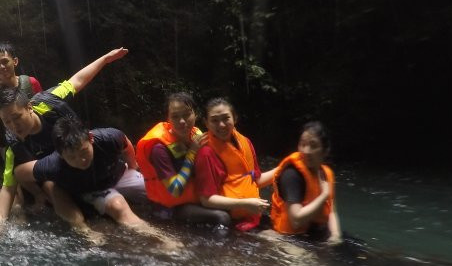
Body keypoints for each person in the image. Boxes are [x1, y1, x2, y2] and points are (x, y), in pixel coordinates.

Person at [0, 47, 129, 235]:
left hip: (81, 156)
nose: (14, 126)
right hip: (58, 174)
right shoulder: (13, 144)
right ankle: (84, 231)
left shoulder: (48, 102)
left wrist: (105, 58)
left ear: (29, 107)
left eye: (17, 117)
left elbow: (77, 81)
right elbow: (7, 187)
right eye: (7, 122)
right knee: (50, 185)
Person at [33, 117, 175, 246]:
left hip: (118, 174)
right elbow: (20, 172)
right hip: (93, 189)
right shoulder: (52, 165)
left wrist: (133, 167)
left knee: (159, 189)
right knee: (118, 207)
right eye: (72, 157)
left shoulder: (108, 137)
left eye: (84, 152)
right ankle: (164, 240)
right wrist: (39, 195)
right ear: (61, 154)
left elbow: (126, 143)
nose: (81, 160)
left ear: (90, 138)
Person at [135, 93, 231, 226]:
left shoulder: (196, 135)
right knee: (222, 217)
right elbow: (175, 190)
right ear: (168, 119)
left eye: (186, 115)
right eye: (175, 116)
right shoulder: (159, 149)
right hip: (172, 208)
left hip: (197, 198)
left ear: (195, 114)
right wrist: (192, 153)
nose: (182, 121)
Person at [194, 97, 274, 231]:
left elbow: (256, 180)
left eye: (226, 118)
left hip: (252, 212)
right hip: (231, 219)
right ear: (206, 123)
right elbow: (206, 200)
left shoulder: (245, 142)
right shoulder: (206, 154)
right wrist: (245, 204)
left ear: (235, 118)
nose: (221, 125)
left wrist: (284, 167)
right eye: (214, 120)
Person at [270, 121, 342, 244]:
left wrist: (335, 236)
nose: (306, 151)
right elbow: (296, 219)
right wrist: (324, 195)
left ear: (325, 151)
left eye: (313, 146)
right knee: (309, 262)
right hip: (288, 238)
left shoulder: (326, 173)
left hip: (313, 231)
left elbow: (332, 211)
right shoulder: (292, 174)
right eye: (302, 144)